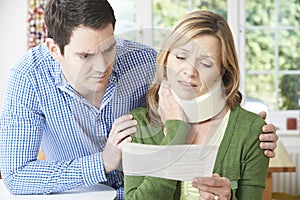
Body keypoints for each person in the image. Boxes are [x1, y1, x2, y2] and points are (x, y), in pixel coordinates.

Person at [0, 0, 276, 199]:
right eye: (85, 56)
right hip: (85, 195)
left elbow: (200, 79)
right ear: (54, 49)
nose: (101, 66)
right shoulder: (29, 79)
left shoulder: (143, 61)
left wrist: (250, 126)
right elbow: (15, 176)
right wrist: (102, 162)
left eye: (108, 48)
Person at [124, 10, 270, 200]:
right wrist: (176, 131)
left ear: (222, 70)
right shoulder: (138, 124)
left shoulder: (252, 130)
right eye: (181, 57)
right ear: (166, 58)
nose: (190, 71)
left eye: (206, 64)